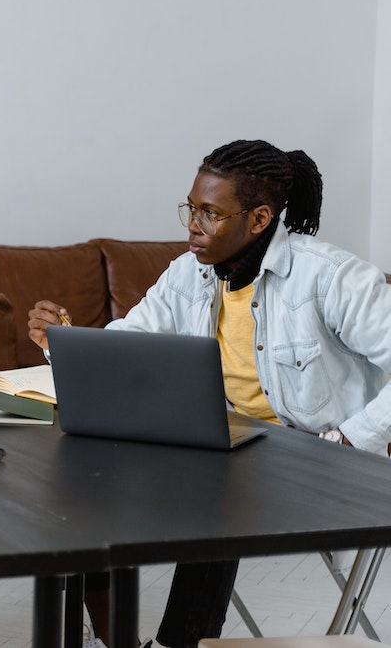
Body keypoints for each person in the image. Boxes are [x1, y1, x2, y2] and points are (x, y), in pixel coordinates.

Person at [28, 139, 391, 648]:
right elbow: (129, 343)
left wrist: (350, 440)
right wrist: (61, 345)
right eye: (191, 209)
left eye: (210, 213)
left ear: (259, 218)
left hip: (323, 461)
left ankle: (180, 642)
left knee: (222, 497)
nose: (192, 226)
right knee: (91, 475)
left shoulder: (331, 278)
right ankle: (115, 638)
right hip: (233, 444)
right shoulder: (190, 273)